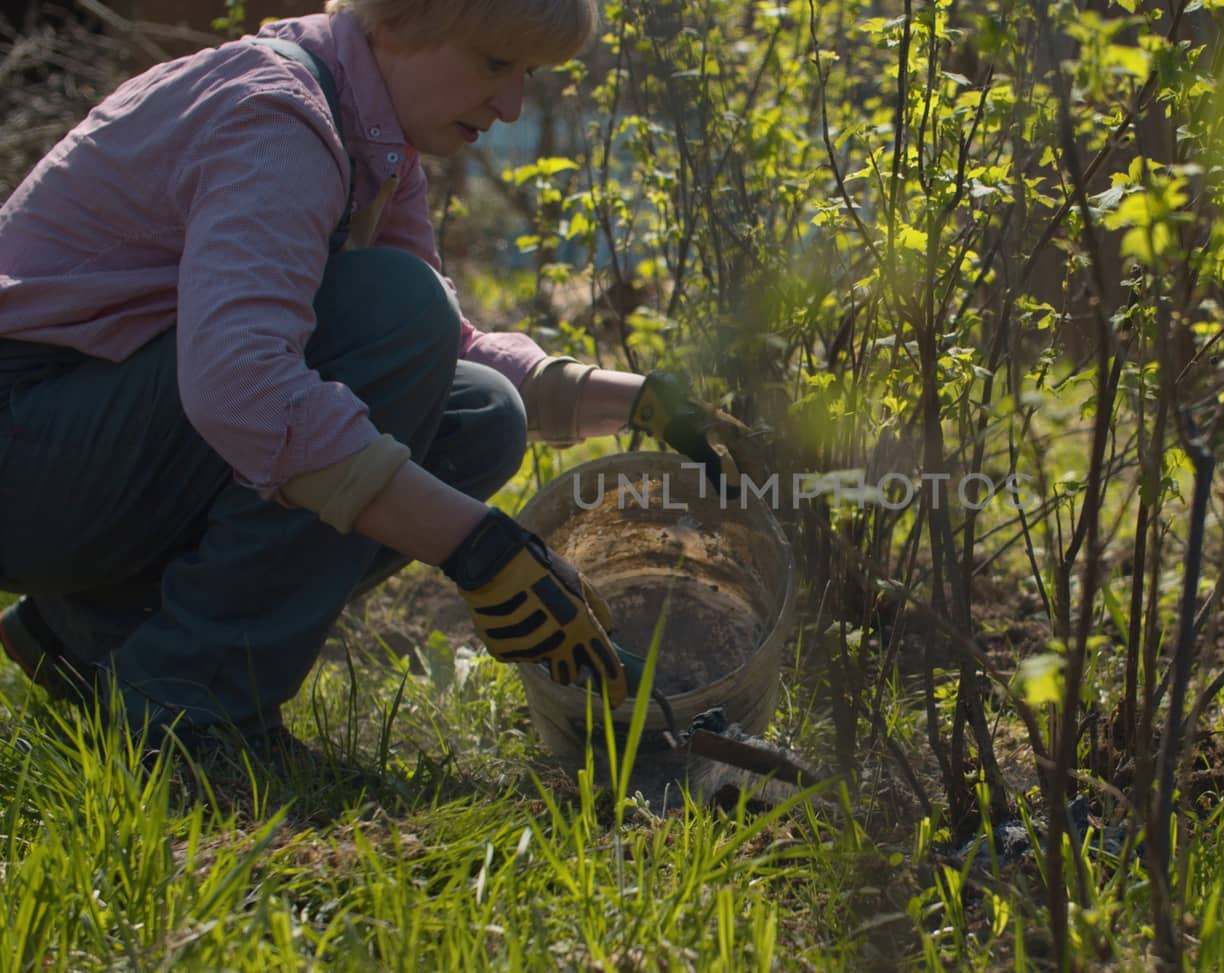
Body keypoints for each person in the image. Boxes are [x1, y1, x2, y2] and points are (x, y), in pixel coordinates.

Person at [0, 0, 737, 769]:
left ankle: (91, 634)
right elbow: (242, 384)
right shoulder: (278, 117)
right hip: (24, 442)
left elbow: (446, 353)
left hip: (76, 443)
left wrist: (642, 400)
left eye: (527, 75)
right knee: (395, 314)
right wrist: (477, 547)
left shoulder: (368, 133)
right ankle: (185, 711)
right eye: (495, 63)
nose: (512, 102)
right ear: (401, 20)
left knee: (479, 415)